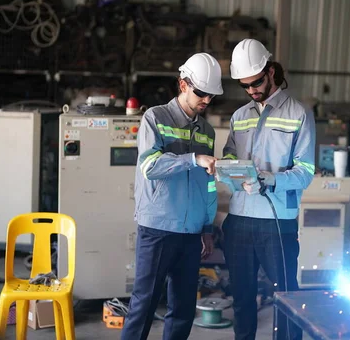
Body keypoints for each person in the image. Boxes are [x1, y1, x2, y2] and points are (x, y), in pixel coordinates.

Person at [121, 52, 223, 340]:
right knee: (144, 304)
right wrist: (192, 158)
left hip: (191, 233)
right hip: (158, 228)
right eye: (201, 93)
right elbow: (150, 167)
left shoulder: (207, 130)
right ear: (183, 84)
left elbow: (208, 185)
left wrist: (207, 227)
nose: (206, 101)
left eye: (211, 96)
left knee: (183, 308)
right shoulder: (155, 117)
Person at [221, 39, 316, 340]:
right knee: (242, 300)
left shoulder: (298, 114)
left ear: (272, 71)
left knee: (287, 299)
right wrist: (227, 168)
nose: (252, 91)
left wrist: (269, 178)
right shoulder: (239, 117)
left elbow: (305, 172)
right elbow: (229, 157)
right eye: (245, 86)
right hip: (238, 221)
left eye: (257, 82)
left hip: (277, 223)